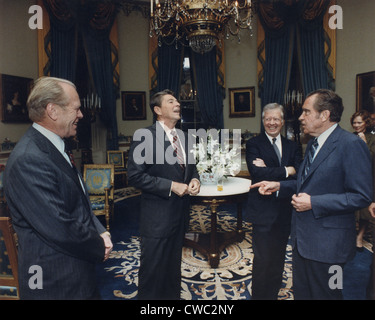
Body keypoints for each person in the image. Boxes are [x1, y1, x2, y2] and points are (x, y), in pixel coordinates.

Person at [251, 89, 373, 300]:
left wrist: (314, 202)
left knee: (329, 295)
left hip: (330, 248)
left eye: (306, 112)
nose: (300, 117)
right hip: (303, 242)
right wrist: (279, 186)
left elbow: (361, 195)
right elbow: (304, 183)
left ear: (324, 115)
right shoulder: (313, 144)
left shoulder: (350, 145)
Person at [3, 76, 113, 299]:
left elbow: (79, 201)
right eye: (76, 109)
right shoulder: (29, 159)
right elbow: (60, 226)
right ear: (53, 111)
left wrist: (100, 230)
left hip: (76, 271)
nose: (81, 115)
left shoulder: (55, 146)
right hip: (54, 280)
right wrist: (98, 245)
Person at [127, 89, 200, 300]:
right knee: (152, 273)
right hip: (157, 218)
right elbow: (135, 176)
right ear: (158, 110)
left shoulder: (186, 137)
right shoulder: (145, 136)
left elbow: (191, 169)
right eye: (171, 101)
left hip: (180, 216)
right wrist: (171, 186)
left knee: (172, 271)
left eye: (177, 100)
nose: (177, 103)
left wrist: (195, 179)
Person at [246, 103, 302, 300]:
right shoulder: (254, 144)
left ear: (282, 121)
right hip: (263, 210)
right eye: (268, 119)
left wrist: (273, 169)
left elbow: (300, 174)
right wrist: (288, 170)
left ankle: (273, 292)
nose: (272, 123)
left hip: (286, 209)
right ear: (263, 121)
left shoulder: (293, 145)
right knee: (262, 259)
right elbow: (257, 173)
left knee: (279, 256)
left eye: (276, 119)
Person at [350, 110, 375, 251]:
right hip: (351, 178)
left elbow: (371, 159)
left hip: (366, 178)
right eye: (354, 122)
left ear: (366, 123)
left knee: (365, 210)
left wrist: (364, 144)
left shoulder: (372, 139)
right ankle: (350, 235)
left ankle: (360, 237)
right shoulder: (349, 137)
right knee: (351, 209)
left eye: (359, 122)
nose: (356, 125)